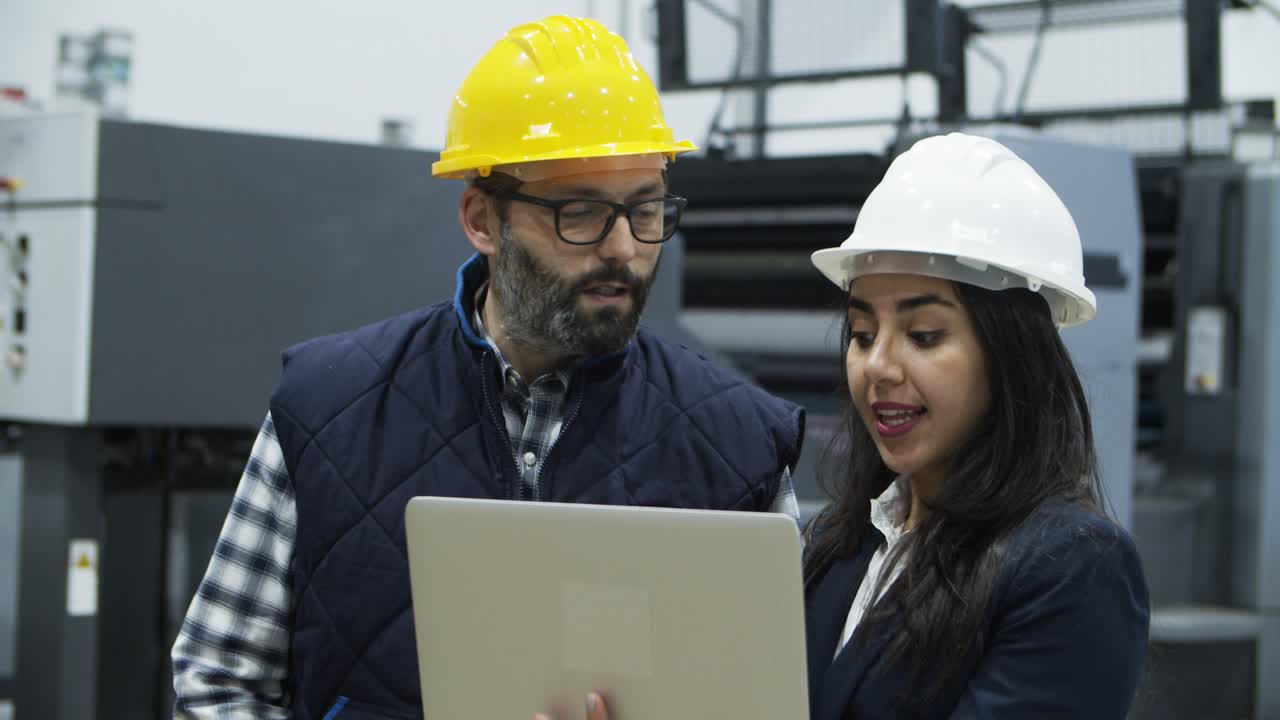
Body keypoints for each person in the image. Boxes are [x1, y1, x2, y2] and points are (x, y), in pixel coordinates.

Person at [171, 15, 804, 720]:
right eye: (582, 212)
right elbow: (219, 679)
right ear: (481, 219)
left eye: (646, 210)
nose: (624, 248)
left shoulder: (739, 442)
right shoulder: (326, 406)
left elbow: (775, 701)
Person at [537, 134, 1150, 720]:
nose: (877, 365)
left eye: (924, 335)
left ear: (1013, 355)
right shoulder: (843, 541)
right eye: (861, 334)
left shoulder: (1072, 567)